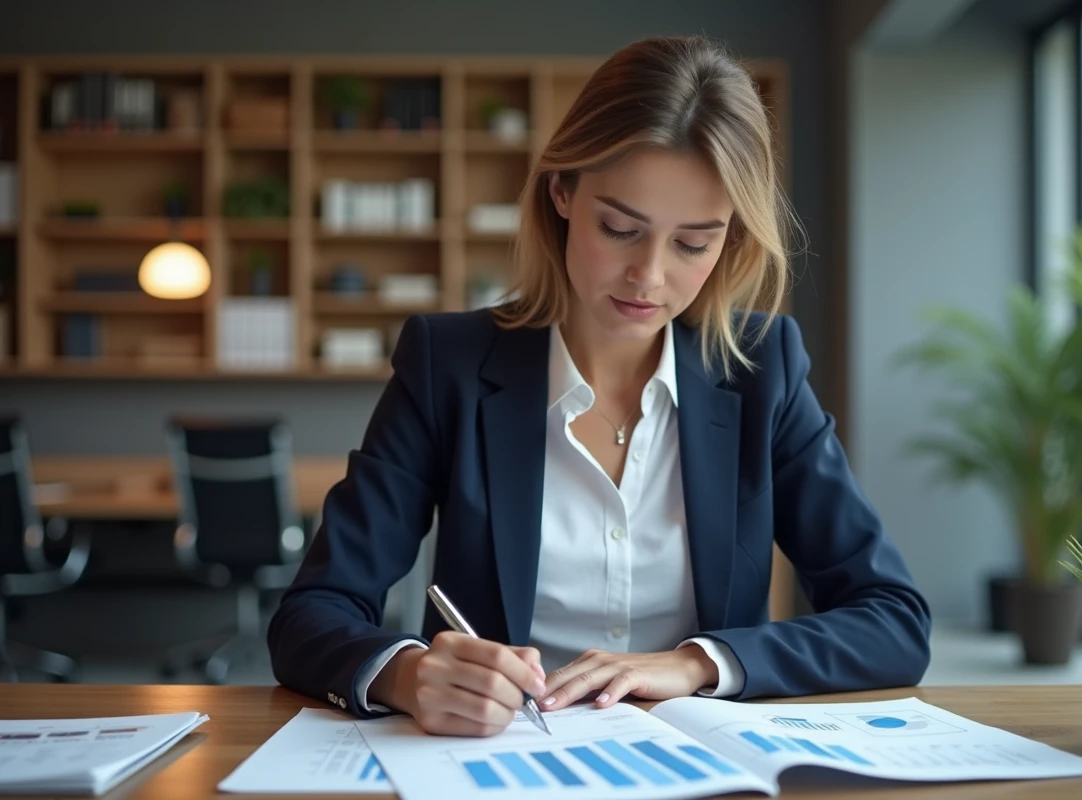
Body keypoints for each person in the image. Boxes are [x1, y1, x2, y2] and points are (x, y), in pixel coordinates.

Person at [267, 34, 931, 738]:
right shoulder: (448, 363)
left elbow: (892, 620)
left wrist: (697, 664)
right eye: (620, 228)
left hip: (699, 768)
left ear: (730, 237)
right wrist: (407, 674)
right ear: (561, 192)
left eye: (692, 243)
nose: (648, 276)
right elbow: (311, 616)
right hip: (496, 764)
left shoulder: (763, 369)